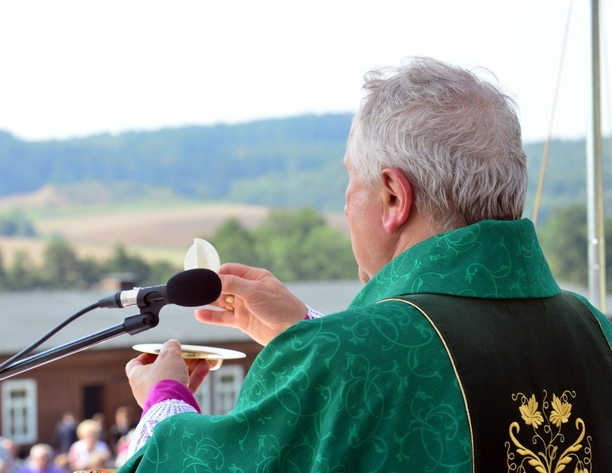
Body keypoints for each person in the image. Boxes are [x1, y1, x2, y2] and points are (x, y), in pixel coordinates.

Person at [119, 57, 612, 471]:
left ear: (395, 196)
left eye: (352, 182)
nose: (346, 205)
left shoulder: (345, 361)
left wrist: (165, 400)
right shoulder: (599, 333)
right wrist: (307, 334)